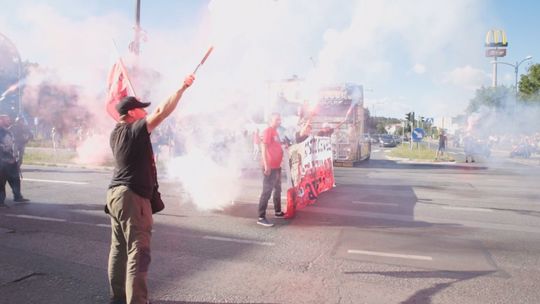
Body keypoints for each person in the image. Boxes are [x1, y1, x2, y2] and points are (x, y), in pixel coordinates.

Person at [106, 74, 195, 304]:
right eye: (141, 109)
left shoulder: (116, 133)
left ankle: (117, 297)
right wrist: (182, 87)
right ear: (132, 113)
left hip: (115, 195)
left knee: (119, 249)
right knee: (138, 251)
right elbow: (161, 112)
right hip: (132, 196)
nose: (145, 112)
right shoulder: (134, 130)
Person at [257, 113, 285, 227]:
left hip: (276, 166)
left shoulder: (275, 132)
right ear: (270, 121)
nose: (279, 121)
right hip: (270, 166)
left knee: (278, 189)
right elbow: (263, 147)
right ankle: (261, 217)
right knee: (267, 191)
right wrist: (267, 165)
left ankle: (278, 211)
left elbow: (276, 146)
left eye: (280, 119)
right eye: (277, 120)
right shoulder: (268, 130)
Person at [0, 115, 29, 207]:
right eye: (6, 119)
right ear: (0, 120)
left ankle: (17, 196)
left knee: (15, 178)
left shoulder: (7, 130)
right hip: (2, 160)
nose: (9, 120)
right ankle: (0, 201)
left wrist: (14, 157)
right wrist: (4, 159)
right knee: (1, 181)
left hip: (10, 158)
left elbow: (11, 144)